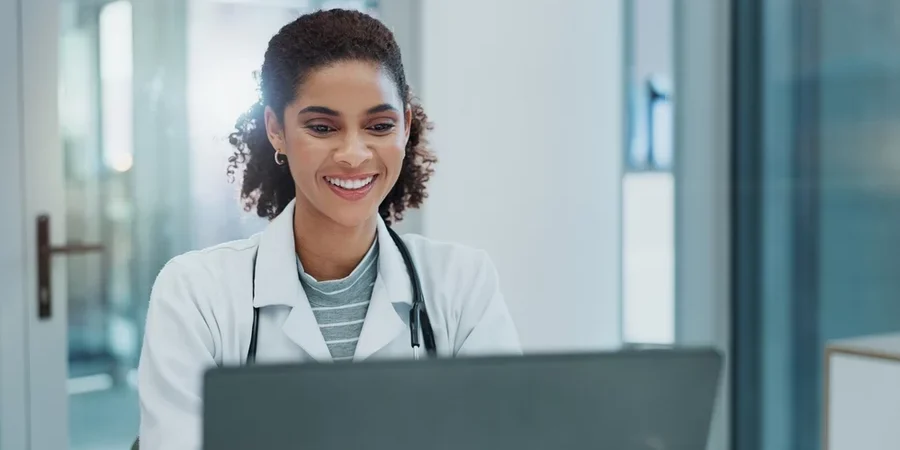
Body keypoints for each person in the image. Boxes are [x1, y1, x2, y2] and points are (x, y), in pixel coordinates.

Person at [136, 8, 521, 450]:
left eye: (379, 126)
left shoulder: (462, 284)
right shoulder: (195, 295)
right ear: (276, 130)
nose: (354, 154)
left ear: (406, 126)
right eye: (322, 127)